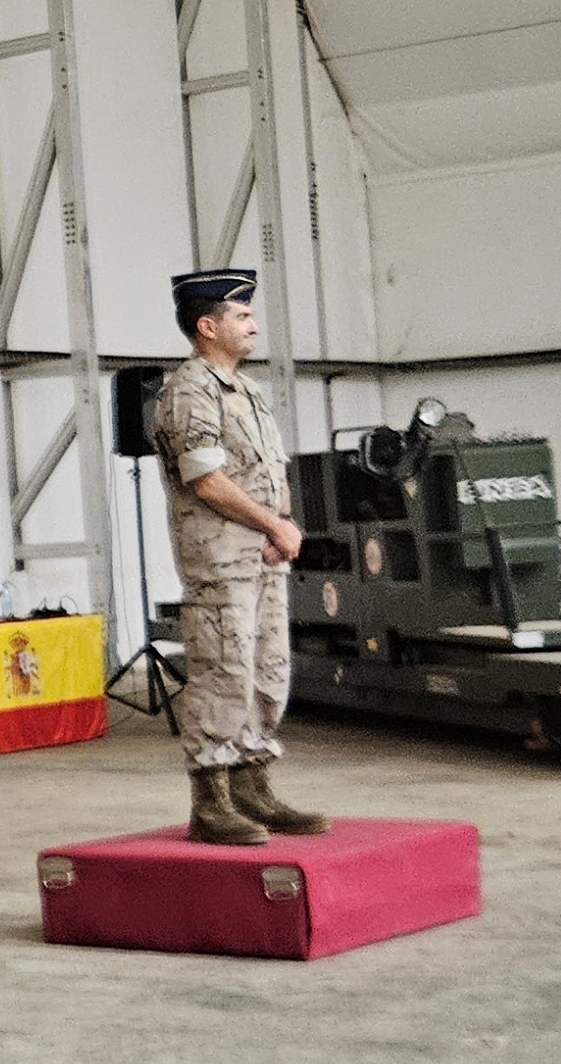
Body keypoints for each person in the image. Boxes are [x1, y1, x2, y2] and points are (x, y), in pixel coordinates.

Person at [151, 268, 330, 846]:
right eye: (242, 316)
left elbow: (268, 471)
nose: (254, 325)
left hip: (261, 555)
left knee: (268, 669)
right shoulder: (190, 389)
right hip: (219, 559)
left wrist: (281, 527)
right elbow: (206, 480)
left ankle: (254, 787)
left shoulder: (245, 390)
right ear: (208, 326)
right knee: (223, 671)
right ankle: (212, 802)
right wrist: (274, 523)